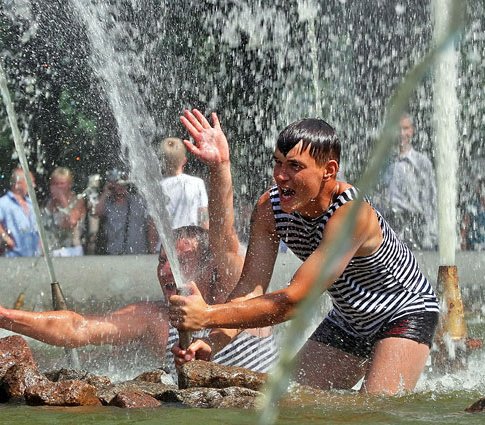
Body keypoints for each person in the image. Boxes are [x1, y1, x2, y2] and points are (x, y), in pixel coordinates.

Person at [169, 110, 439, 395]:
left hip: (404, 311)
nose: (281, 176)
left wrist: (207, 314)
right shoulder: (269, 210)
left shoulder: (351, 214)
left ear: (329, 171)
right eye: (278, 163)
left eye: (294, 166)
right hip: (349, 319)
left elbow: (295, 302)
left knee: (372, 411)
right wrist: (212, 342)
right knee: (291, 399)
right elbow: (249, 289)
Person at [0, 147, 279, 373]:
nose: (166, 270)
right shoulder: (155, 319)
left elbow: (225, 240)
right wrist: (5, 317)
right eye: (161, 261)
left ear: (211, 268)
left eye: (181, 261)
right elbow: (80, 328)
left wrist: (219, 166)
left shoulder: (237, 298)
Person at [377, 114, 437, 250]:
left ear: (412, 131)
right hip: (388, 227)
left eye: (406, 128)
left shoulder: (421, 163)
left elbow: (430, 200)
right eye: (397, 129)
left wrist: (432, 235)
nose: (401, 133)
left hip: (413, 226)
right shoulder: (383, 164)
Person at [0, 168, 41, 257]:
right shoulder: (4, 203)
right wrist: (6, 238)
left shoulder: (31, 203)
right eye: (30, 182)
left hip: (35, 258)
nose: (34, 186)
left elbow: (37, 230)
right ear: (18, 183)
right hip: (15, 259)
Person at [94, 169, 150, 255]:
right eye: (116, 182)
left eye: (123, 182)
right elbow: (97, 213)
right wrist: (105, 193)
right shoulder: (108, 205)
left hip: (138, 253)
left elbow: (151, 221)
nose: (120, 186)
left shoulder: (138, 201)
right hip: (115, 253)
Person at [160, 137, 209, 229]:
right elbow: (203, 217)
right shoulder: (197, 183)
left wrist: (154, 244)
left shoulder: (158, 187)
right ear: (184, 160)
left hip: (166, 242)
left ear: (163, 162)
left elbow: (152, 224)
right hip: (190, 240)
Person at [42, 167, 86, 257]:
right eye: (55, 184)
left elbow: (72, 221)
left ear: (69, 184)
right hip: (53, 250)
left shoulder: (77, 201)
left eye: (62, 183)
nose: (58, 187)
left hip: (72, 250)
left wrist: (62, 199)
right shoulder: (48, 203)